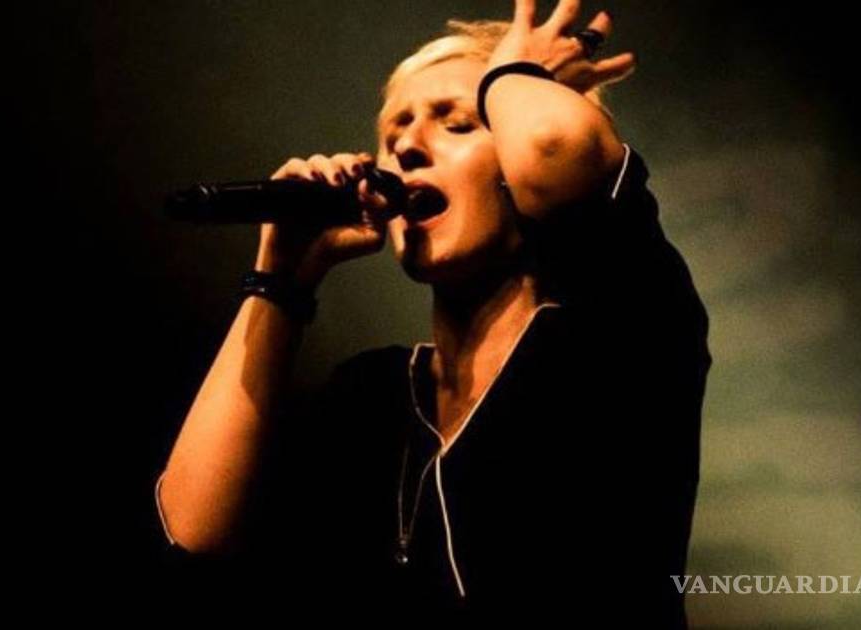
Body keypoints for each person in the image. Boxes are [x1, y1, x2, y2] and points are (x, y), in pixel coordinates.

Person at [153, 1, 711, 623]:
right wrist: (278, 281)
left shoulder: (622, 323)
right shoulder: (371, 394)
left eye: (458, 124)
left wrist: (516, 71)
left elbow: (554, 145)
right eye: (394, 136)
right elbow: (195, 534)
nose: (408, 148)